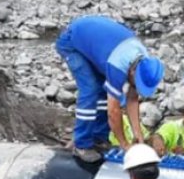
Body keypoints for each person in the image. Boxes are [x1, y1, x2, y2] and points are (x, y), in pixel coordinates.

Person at [56, 16, 166, 163]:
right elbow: (113, 112)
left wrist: (137, 133)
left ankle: (99, 139)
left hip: (97, 45)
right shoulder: (119, 66)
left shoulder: (143, 61)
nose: (136, 86)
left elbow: (132, 98)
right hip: (72, 43)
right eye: (137, 82)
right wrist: (125, 145)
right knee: (90, 89)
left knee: (102, 90)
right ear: (132, 72)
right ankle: (81, 144)